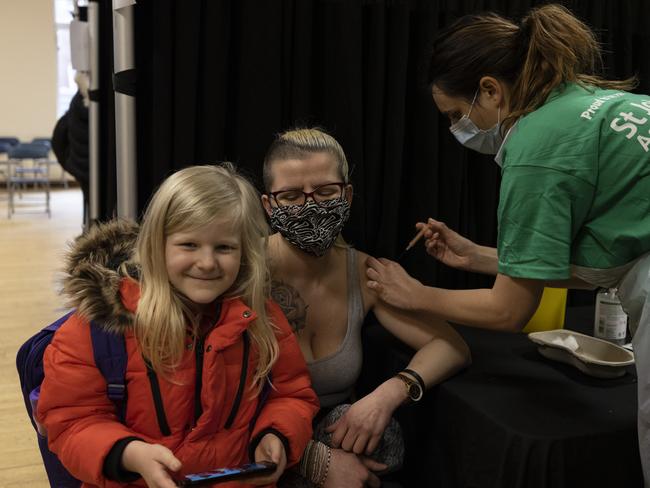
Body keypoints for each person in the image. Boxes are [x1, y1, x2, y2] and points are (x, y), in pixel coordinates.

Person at [363, 4, 650, 485]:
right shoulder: (583, 101)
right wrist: (478, 256)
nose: (459, 128)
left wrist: (418, 295)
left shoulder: (535, 149)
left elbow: (508, 312)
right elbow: (614, 254)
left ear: (491, 89)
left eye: (457, 114)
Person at [37, 164, 319, 488]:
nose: (207, 262)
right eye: (189, 245)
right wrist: (130, 455)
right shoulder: (99, 329)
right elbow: (69, 421)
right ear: (158, 245)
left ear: (245, 253)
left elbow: (292, 395)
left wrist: (276, 435)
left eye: (224, 247)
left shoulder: (262, 320)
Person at [261, 128, 471, 487]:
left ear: (348, 194)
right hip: (261, 443)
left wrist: (389, 394)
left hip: (338, 438)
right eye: (292, 196)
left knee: (386, 441)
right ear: (268, 204)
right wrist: (316, 462)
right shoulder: (243, 272)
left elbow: (451, 347)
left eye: (326, 192)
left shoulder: (364, 272)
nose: (311, 206)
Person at [52, 72, 90, 227]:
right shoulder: (94, 105)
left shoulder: (76, 103)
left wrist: (71, 164)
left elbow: (58, 138)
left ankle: (87, 230)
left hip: (80, 166)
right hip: (91, 166)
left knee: (89, 202)